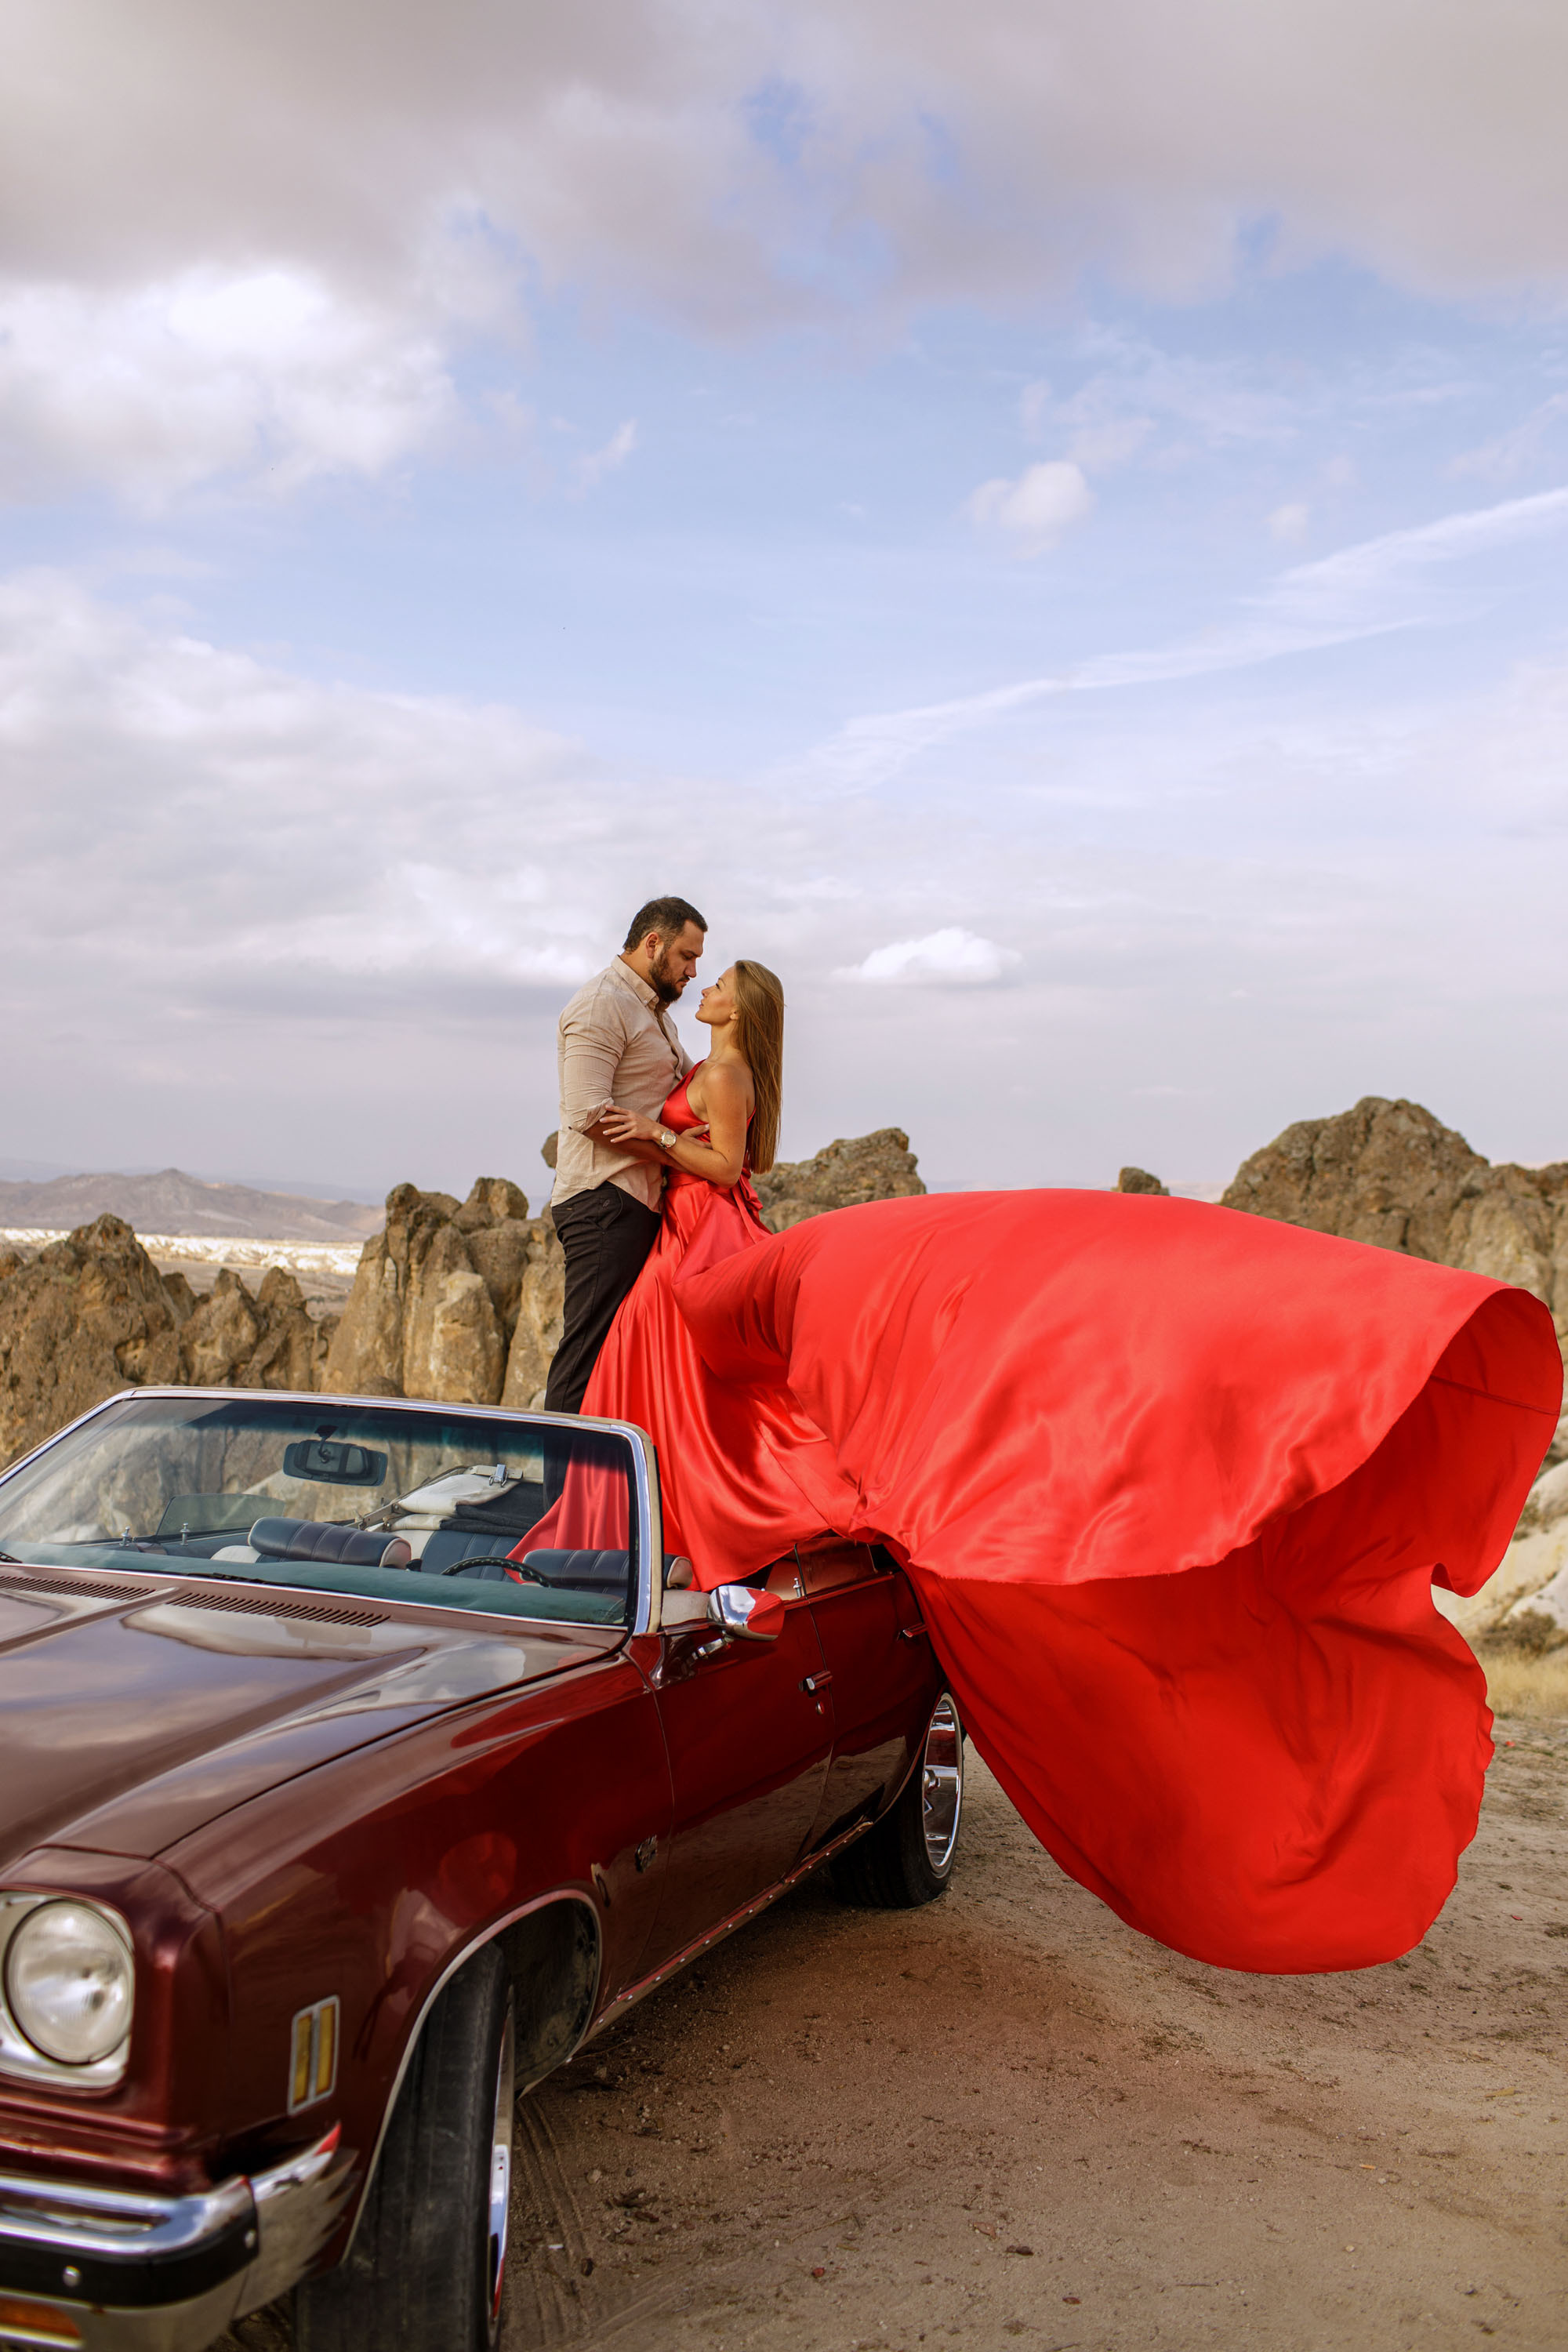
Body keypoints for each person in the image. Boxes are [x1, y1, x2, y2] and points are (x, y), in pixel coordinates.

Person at [543, 961, 1563, 1977]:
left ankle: (669, 1525)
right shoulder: (700, 1051)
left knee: (697, 1360)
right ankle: (657, 1523)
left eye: (718, 978)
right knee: (664, 1386)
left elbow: (718, 1169)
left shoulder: (722, 1069)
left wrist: (651, 1139)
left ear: (742, 1008)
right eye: (700, 969)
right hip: (685, 1249)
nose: (705, 983)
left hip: (705, 1251)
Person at [543, 895, 707, 1415]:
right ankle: (563, 1497)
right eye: (686, 955)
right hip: (603, 1204)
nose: (693, 971)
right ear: (652, 943)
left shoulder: (653, 1014)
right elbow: (589, 1116)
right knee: (586, 1358)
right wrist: (676, 1154)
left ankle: (605, 1490)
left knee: (620, 1357)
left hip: (636, 1204)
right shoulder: (602, 1004)